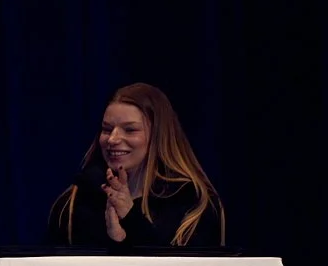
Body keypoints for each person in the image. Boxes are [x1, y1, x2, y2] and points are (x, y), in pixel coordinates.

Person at [48, 82, 227, 247]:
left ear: (158, 136)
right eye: (107, 129)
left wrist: (130, 218)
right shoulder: (74, 202)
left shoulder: (193, 202)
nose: (113, 139)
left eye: (130, 130)